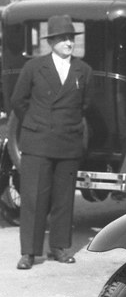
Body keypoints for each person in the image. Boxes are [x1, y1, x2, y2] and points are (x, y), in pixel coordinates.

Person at [9, 14, 93, 269]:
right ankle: (29, 252)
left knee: (63, 199)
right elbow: (18, 101)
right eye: (63, 38)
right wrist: (38, 123)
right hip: (38, 142)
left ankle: (59, 247)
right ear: (51, 42)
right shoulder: (34, 67)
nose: (69, 43)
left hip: (68, 141)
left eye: (71, 38)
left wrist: (65, 124)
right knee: (34, 198)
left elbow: (85, 105)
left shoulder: (83, 70)